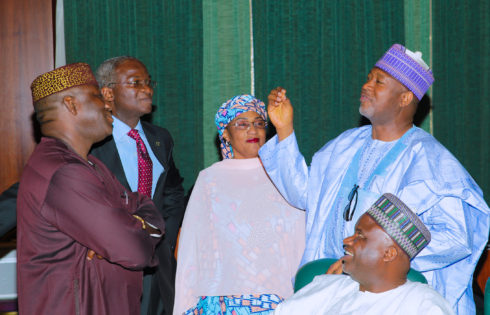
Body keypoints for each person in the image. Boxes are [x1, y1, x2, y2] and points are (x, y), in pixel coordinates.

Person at [259, 44, 490, 314]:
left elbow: (456, 238)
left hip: (397, 296)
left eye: (378, 81)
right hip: (336, 288)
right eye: (368, 78)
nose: (366, 85)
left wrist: (376, 261)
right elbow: (305, 195)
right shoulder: (344, 146)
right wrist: (284, 130)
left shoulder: (430, 161)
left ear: (404, 98)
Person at [17, 63, 165, 315]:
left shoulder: (89, 163)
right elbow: (135, 250)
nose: (108, 104)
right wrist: (125, 232)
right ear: (72, 105)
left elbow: (144, 205)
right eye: (97, 96)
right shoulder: (64, 172)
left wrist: (128, 228)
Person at [173, 95, 305, 315]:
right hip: (223, 300)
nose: (253, 131)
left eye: (259, 123)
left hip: (282, 299)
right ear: (225, 133)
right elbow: (190, 250)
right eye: (242, 124)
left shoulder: (286, 175)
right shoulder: (210, 180)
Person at [93, 56, 186, 315]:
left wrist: (162, 235)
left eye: (148, 82)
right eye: (136, 83)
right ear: (108, 93)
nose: (147, 89)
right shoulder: (93, 141)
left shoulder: (160, 138)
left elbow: (173, 192)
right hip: (112, 263)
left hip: (158, 264)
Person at [274, 193, 454, 314]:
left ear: (389, 254)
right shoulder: (328, 286)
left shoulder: (424, 306)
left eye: (360, 235)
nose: (346, 241)